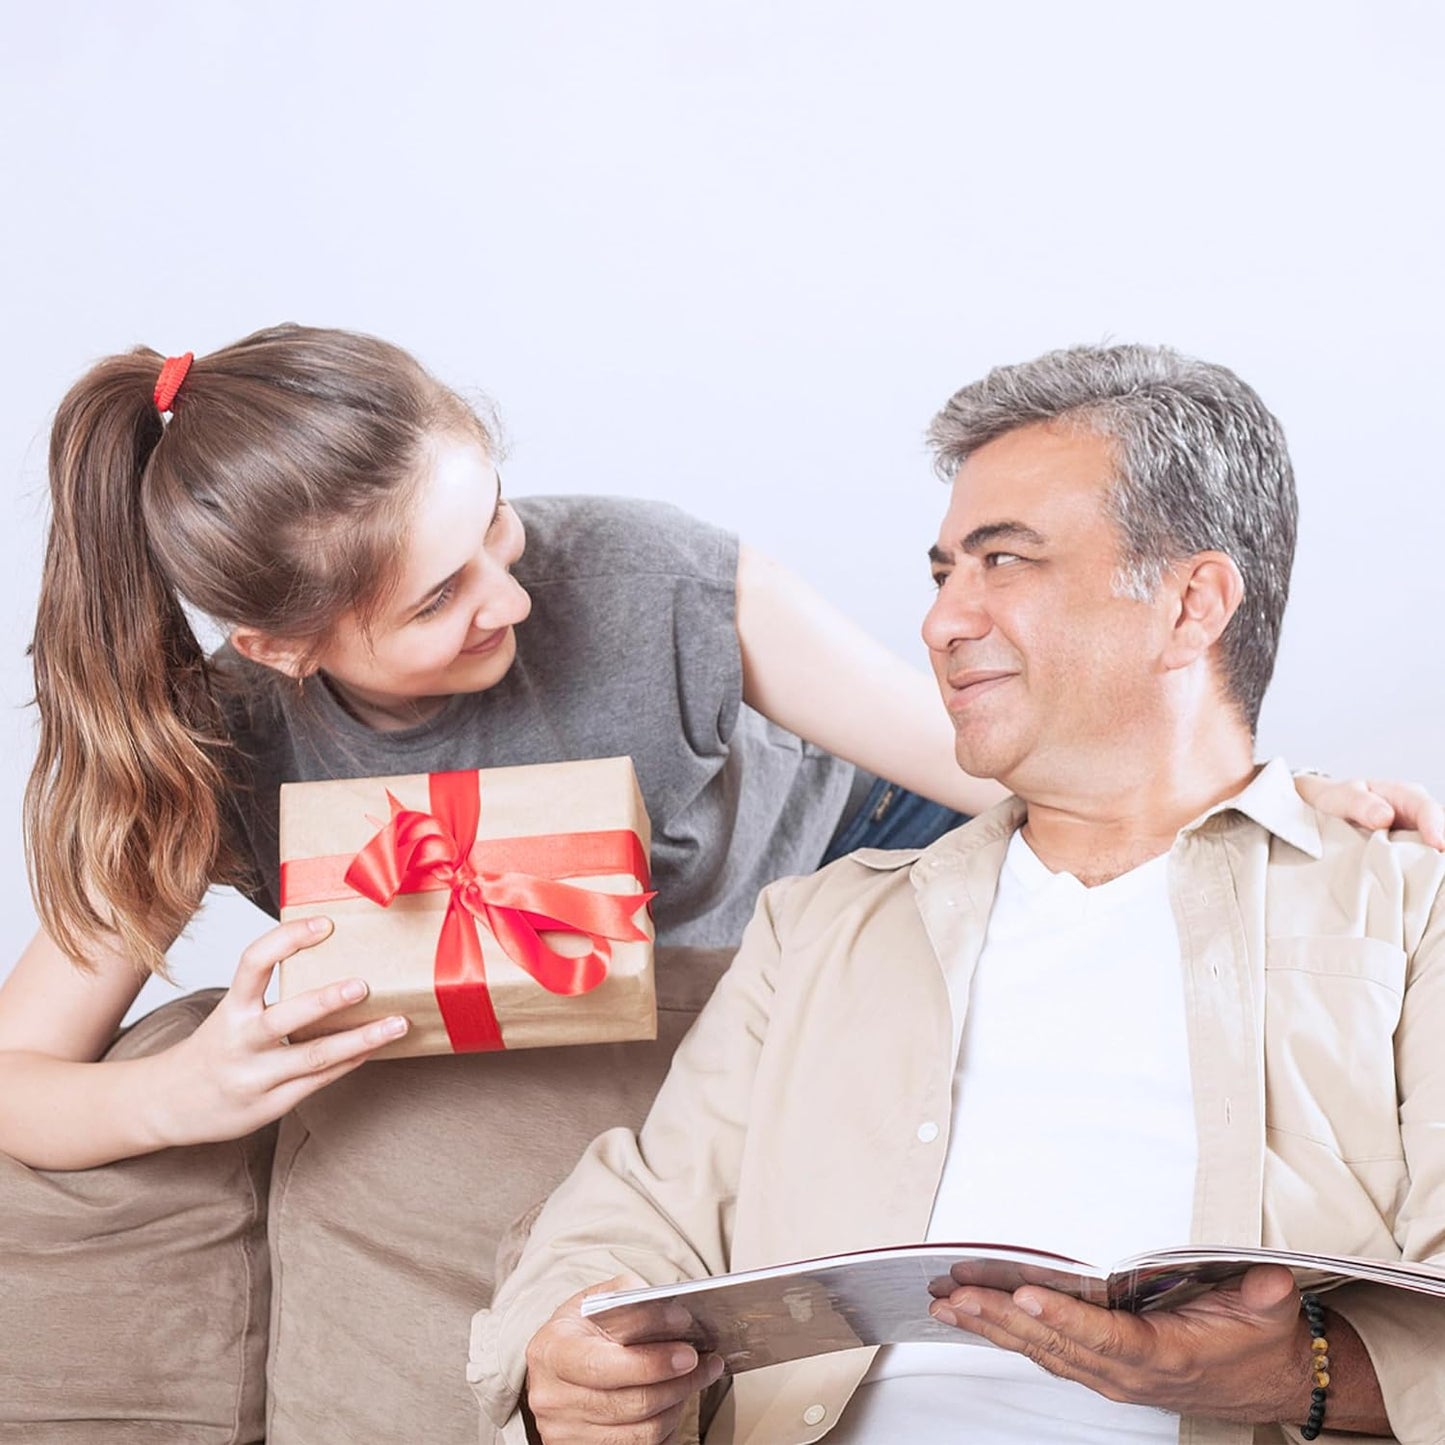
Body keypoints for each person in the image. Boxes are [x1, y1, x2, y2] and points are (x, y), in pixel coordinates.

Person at [0, 326, 1432, 1174]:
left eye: (493, 521)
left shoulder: (644, 568)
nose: (511, 590)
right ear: (283, 649)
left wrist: (1280, 803)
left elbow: (974, 761)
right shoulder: (205, 748)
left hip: (866, 869)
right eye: (437, 599)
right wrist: (175, 1093)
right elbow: (21, 1073)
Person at [472, 344, 1445, 1445]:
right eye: (942, 572)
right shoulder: (823, 924)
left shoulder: (1406, 913)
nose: (940, 621)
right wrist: (564, 1356)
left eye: (1004, 561)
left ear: (1190, 605)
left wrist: (1297, 1377)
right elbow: (632, 1216)